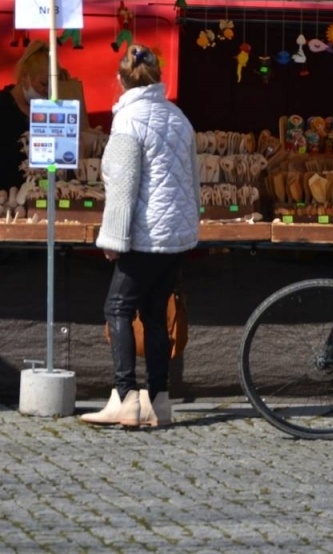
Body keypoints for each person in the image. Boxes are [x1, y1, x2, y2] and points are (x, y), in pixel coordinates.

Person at [80, 44, 200, 429]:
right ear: (159, 78)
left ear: (120, 81)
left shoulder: (128, 121)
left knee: (117, 308)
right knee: (153, 314)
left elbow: (122, 184)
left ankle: (125, 396)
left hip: (144, 235)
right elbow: (192, 181)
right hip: (175, 236)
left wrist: (113, 240)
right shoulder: (179, 118)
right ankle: (159, 400)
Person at [0, 40, 83, 202]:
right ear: (24, 77)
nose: (47, 92)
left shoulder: (49, 109)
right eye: (43, 84)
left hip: (39, 200)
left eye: (53, 86)